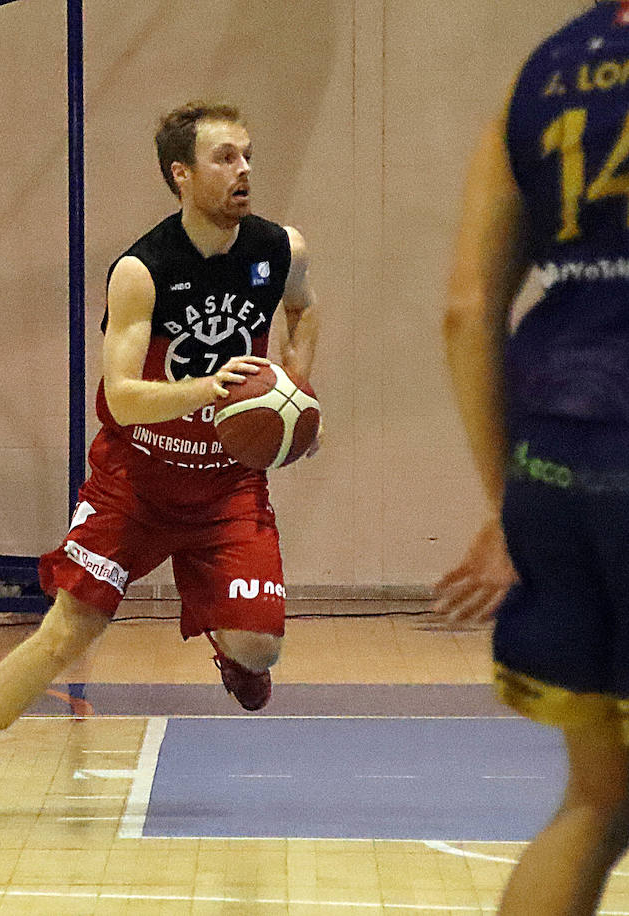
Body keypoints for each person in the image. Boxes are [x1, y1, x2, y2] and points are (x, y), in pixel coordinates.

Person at [0, 102, 320, 819]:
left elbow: (303, 308)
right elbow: (124, 397)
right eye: (225, 158)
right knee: (68, 631)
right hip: (134, 484)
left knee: (261, 653)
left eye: (248, 156)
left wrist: (294, 390)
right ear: (181, 173)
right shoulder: (143, 270)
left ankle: (234, 652)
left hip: (227, 486)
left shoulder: (279, 248)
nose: (245, 171)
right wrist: (207, 388)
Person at [434, 4, 629, 913]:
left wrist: (508, 505)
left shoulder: (541, 73)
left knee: (598, 800)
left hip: (558, 458)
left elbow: (468, 309)